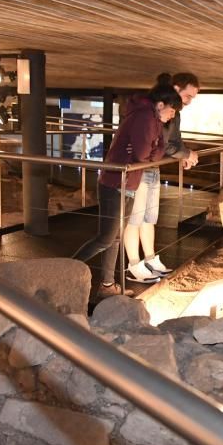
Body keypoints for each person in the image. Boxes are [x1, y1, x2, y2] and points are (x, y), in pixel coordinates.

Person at [73, 82, 183, 297]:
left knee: (114, 238)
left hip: (128, 182)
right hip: (116, 182)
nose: (172, 116)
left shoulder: (153, 119)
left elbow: (153, 150)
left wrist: (151, 150)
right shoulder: (145, 117)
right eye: (172, 110)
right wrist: (151, 151)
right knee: (105, 238)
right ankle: (64, 268)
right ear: (161, 104)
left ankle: (107, 285)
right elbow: (143, 155)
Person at [124, 72, 201, 281]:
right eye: (188, 96)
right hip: (139, 169)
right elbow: (164, 144)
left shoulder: (172, 112)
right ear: (175, 89)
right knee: (134, 218)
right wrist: (184, 154)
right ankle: (133, 264)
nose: (189, 102)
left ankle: (149, 259)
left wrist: (182, 154)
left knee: (149, 217)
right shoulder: (149, 113)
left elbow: (173, 141)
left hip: (152, 167)